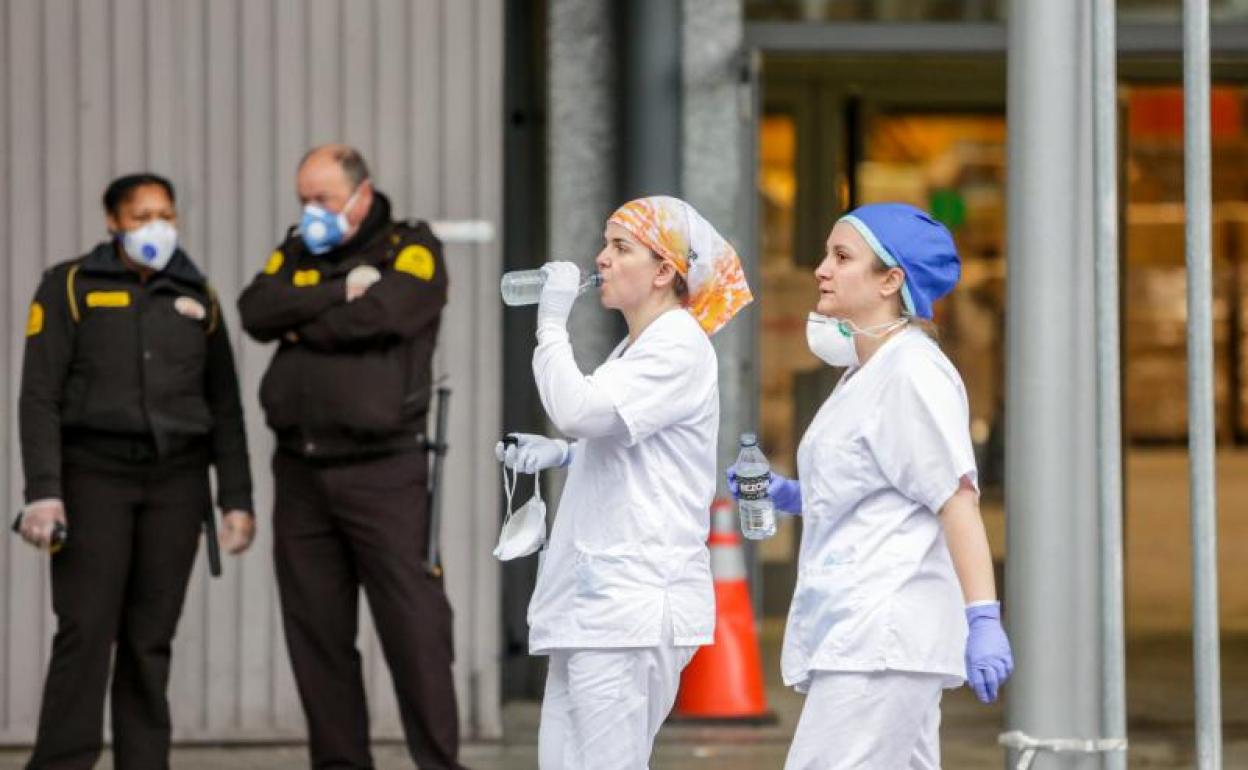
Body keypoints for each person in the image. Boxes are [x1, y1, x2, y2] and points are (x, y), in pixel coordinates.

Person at [729, 202, 1014, 769]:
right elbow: (869, 488)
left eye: (842, 256)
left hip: (880, 636)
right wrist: (788, 495)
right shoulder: (866, 371)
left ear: (892, 280)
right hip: (864, 633)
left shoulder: (912, 372)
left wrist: (983, 616)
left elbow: (955, 500)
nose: (821, 270)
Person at [496, 196, 752, 769]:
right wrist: (562, 454)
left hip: (629, 606)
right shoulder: (638, 345)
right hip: (599, 606)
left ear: (665, 270)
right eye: (605, 244)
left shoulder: (678, 344)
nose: (600, 259)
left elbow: (580, 409)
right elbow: (624, 437)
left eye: (620, 247)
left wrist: (550, 323)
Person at [237, 144, 466, 770]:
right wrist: (339, 291)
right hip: (301, 472)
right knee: (317, 638)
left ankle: (440, 763)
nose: (312, 212)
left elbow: (390, 312)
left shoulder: (409, 247)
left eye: (324, 200)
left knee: (415, 633)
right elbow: (256, 311)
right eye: (305, 200)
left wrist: (303, 319)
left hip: (384, 471)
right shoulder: (294, 251)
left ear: (361, 196)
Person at [17, 172, 255, 769]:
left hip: (176, 484)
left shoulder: (197, 293)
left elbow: (224, 403)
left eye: (166, 213)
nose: (157, 226)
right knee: (85, 635)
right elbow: (38, 395)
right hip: (92, 477)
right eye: (143, 214)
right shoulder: (69, 285)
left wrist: (236, 498)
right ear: (113, 221)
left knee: (150, 643)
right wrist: (44, 492)